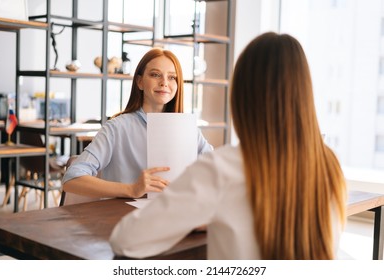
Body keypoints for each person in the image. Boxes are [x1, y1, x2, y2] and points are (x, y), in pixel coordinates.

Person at [109, 32, 347, 260]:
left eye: (172, 77)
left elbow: (125, 239)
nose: (165, 83)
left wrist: (196, 214)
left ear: (242, 95)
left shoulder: (222, 167)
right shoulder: (329, 162)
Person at [62, 48, 213, 199]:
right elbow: (71, 179)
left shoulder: (188, 129)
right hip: (122, 217)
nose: (164, 83)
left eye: (172, 77)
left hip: (173, 213)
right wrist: (131, 189)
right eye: (155, 75)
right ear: (140, 82)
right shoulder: (116, 128)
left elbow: (216, 170)